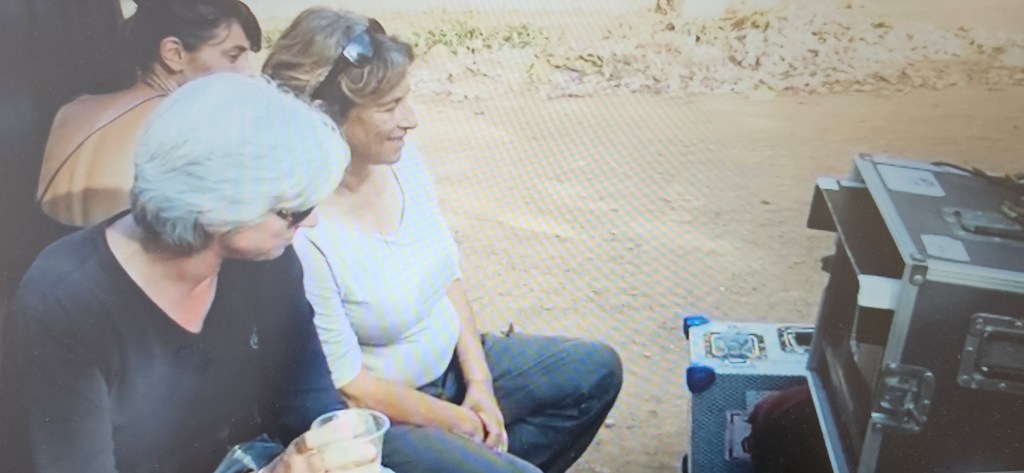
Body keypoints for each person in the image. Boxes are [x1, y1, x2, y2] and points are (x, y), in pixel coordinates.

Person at [263, 8, 624, 473]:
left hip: (451, 370)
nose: (410, 119)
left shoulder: (401, 161)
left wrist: (481, 385)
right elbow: (351, 385)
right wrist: (462, 422)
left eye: (405, 99)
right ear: (327, 117)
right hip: (388, 414)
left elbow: (447, 279)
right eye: (389, 107)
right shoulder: (304, 229)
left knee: (595, 372)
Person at [0, 73, 380, 473]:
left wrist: (338, 448)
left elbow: (307, 401)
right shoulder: (65, 305)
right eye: (296, 211)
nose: (313, 221)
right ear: (218, 209)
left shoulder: (267, 261)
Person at [36, 0, 261, 227]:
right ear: (174, 53)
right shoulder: (187, 124)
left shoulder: (73, 109)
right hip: (125, 247)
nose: (248, 71)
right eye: (233, 56)